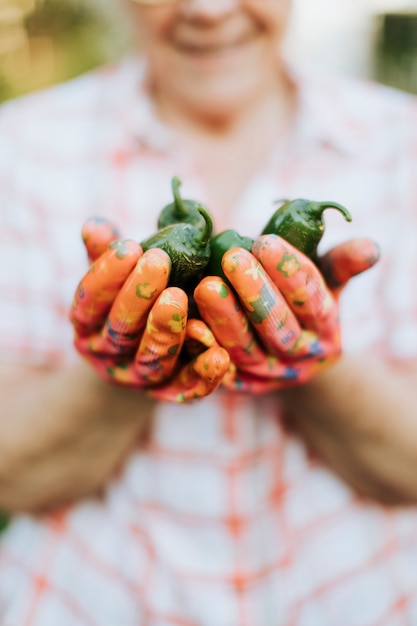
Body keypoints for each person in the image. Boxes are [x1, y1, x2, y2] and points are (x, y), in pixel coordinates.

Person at [1, 0, 417, 624]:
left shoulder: (403, 144)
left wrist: (309, 359)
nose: (209, 9)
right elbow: (11, 475)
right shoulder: (20, 149)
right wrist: (126, 361)